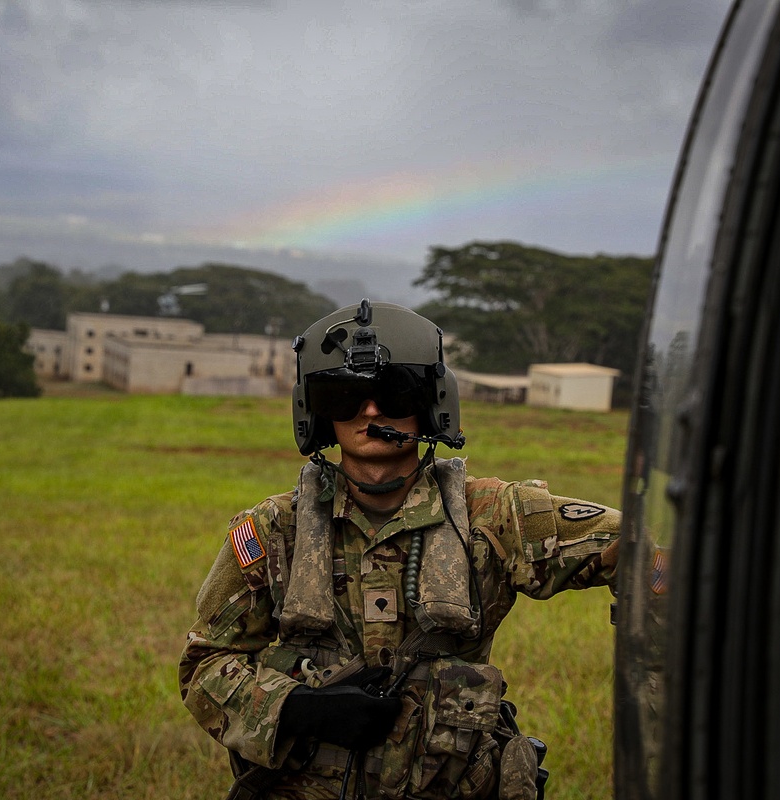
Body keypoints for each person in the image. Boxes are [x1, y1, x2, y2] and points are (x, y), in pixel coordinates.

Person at [179, 300, 620, 800]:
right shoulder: (275, 530)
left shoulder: (496, 516)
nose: (369, 411)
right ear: (317, 413)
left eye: (393, 392)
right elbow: (204, 665)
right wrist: (300, 708)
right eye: (345, 396)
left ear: (431, 403)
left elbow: (638, 551)